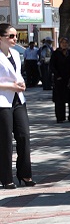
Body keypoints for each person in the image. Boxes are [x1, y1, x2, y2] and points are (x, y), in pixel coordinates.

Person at [0, 24, 33, 189]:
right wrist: (9, 87)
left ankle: (25, 174)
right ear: (0, 37)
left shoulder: (15, 53)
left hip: (18, 100)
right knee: (5, 140)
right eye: (11, 36)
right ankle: (6, 178)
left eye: (15, 36)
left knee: (24, 136)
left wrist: (21, 83)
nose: (14, 39)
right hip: (2, 101)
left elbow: (17, 74)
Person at [51, 37, 70, 123]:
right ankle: (60, 117)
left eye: (66, 43)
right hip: (60, 79)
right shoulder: (56, 53)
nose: (64, 44)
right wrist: (57, 75)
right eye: (62, 43)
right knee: (60, 99)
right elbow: (52, 66)